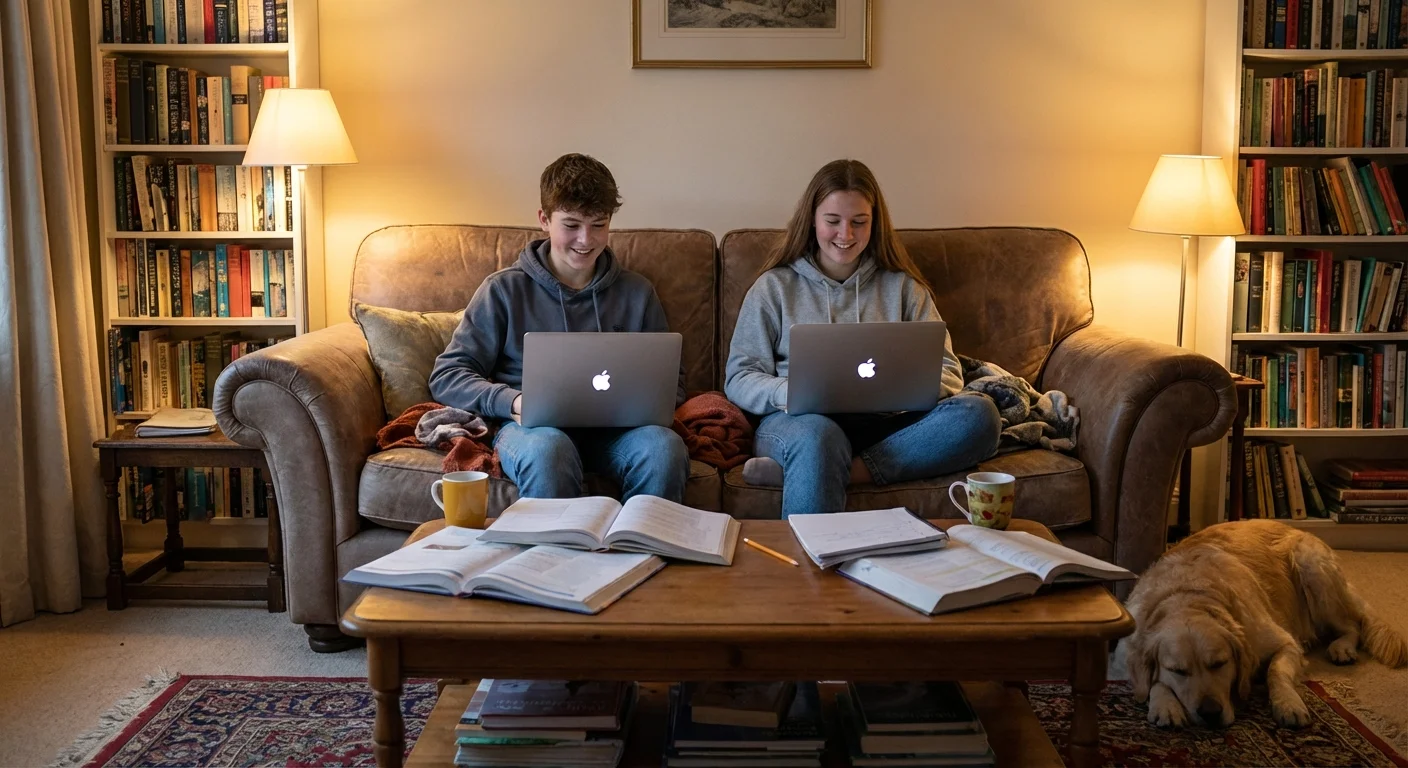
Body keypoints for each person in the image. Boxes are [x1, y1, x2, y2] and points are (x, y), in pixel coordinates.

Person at [724, 159, 1001, 518]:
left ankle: (837, 472)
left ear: (875, 223)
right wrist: (789, 391)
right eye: (833, 221)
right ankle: (811, 539)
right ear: (811, 219)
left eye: (859, 222)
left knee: (980, 414)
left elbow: (948, 371)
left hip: (887, 424)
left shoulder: (903, 287)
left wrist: (903, 390)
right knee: (818, 438)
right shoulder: (774, 288)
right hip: (800, 423)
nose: (846, 235)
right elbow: (739, 377)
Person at [428, 153, 689, 501]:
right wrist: (515, 401)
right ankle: (551, 556)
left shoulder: (638, 293)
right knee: (549, 451)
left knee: (663, 449)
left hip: (618, 433)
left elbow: (673, 382)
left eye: (599, 224)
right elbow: (448, 374)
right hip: (534, 431)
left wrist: (643, 404)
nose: (586, 239)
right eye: (571, 225)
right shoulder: (503, 289)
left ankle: (646, 551)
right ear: (544, 219)